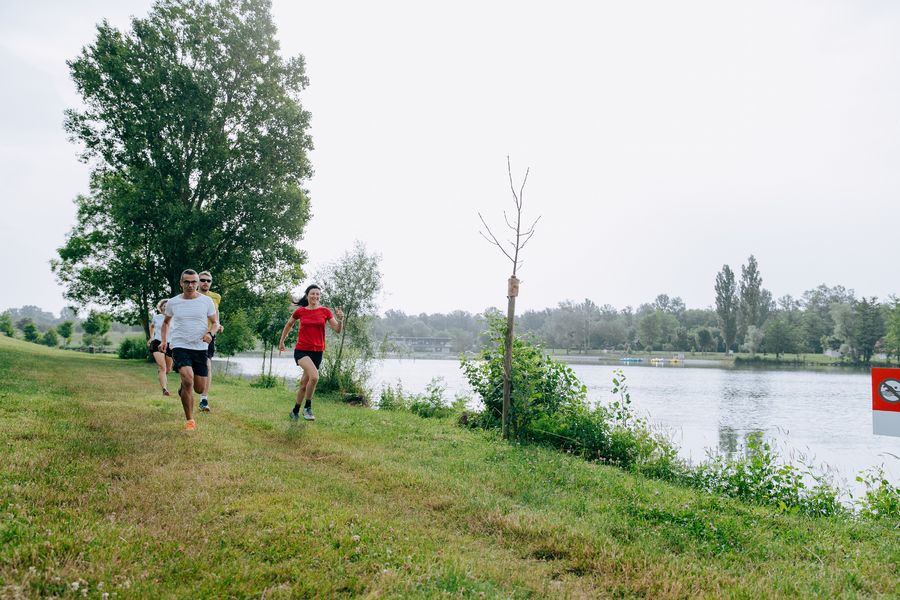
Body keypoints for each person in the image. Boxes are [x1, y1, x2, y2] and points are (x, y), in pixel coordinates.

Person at [160, 269, 219, 430]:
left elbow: (215, 323)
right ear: (181, 283)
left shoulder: (207, 302)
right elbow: (166, 323)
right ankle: (190, 420)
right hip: (180, 345)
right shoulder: (173, 302)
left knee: (198, 388)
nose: (191, 285)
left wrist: (210, 334)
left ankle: (183, 388)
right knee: (187, 379)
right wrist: (164, 340)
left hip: (200, 347)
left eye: (194, 282)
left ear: (198, 283)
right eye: (187, 282)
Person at [278, 285, 343, 421]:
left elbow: (337, 329)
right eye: (313, 294)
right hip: (302, 350)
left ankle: (295, 410)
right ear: (307, 295)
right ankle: (308, 408)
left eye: (318, 294)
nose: (315, 296)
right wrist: (282, 341)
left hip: (317, 352)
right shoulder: (300, 311)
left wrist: (341, 320)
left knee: (304, 384)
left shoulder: (325, 311)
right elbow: (289, 325)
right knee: (314, 377)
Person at [197, 270, 224, 412]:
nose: (205, 283)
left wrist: (218, 324)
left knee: (207, 366)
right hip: (192, 336)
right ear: (197, 281)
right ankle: (186, 386)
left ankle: (204, 399)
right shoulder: (191, 296)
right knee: (191, 370)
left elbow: (216, 313)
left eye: (208, 280)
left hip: (208, 336)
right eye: (202, 280)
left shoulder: (216, 297)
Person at [147, 299, 173, 396]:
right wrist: (151, 337)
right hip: (157, 343)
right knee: (162, 367)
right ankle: (164, 389)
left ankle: (162, 376)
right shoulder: (156, 317)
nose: (165, 307)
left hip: (170, 344)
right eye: (164, 306)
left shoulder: (175, 317)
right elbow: (152, 327)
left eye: (168, 306)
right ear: (160, 307)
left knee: (168, 369)